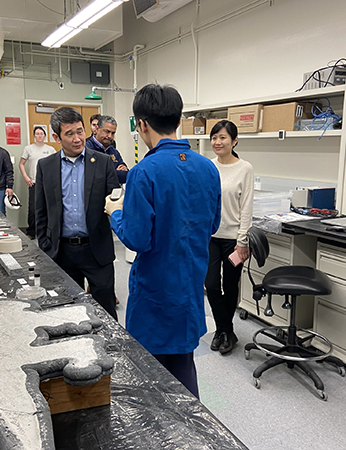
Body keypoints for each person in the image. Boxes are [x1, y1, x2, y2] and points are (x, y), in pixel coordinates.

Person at [105, 84, 221, 398]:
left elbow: (137, 238)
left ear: (141, 124)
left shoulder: (144, 172)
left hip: (155, 294)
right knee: (184, 370)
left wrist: (115, 213)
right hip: (189, 289)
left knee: (150, 378)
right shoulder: (208, 168)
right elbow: (212, 224)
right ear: (178, 118)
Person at [34, 107, 119, 320]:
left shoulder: (102, 162)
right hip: (62, 251)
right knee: (67, 311)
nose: (77, 138)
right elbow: (41, 209)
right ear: (56, 136)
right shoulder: (46, 166)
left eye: (80, 131)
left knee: (105, 311)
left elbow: (114, 201)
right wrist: (45, 245)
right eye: (69, 134)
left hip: (96, 249)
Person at [205, 120, 254, 355]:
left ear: (234, 141)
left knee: (230, 285)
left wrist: (242, 240)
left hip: (234, 238)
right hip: (211, 236)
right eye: (214, 137)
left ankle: (223, 331)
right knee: (211, 284)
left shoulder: (245, 168)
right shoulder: (208, 167)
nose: (217, 142)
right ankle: (225, 329)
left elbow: (246, 208)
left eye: (222, 137)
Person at [19, 126, 56, 239]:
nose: (39, 135)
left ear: (45, 135)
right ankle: (31, 232)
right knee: (33, 210)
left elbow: (56, 165)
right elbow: (21, 164)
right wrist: (26, 177)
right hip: (33, 183)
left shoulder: (50, 150)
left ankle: (47, 232)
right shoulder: (28, 149)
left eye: (41, 133)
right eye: (37, 134)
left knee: (49, 208)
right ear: (34, 136)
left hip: (47, 183)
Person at [85, 115, 130, 184]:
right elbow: (95, 177)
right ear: (96, 129)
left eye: (113, 133)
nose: (110, 136)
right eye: (107, 131)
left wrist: (110, 173)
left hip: (113, 193)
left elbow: (126, 174)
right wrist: (116, 172)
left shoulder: (113, 151)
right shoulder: (87, 148)